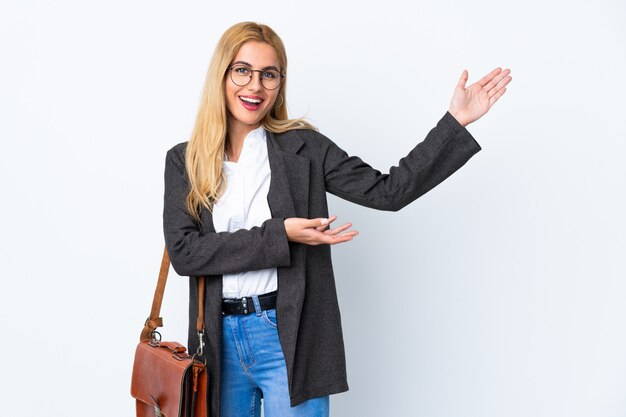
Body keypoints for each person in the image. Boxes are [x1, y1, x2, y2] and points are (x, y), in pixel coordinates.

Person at [163, 21, 511, 417]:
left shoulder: (304, 148)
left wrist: (454, 124)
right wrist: (282, 235)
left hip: (289, 335)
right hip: (217, 343)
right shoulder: (184, 160)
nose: (255, 86)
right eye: (242, 70)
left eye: (269, 74)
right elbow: (185, 254)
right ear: (222, 74)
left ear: (280, 83)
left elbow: (388, 191)